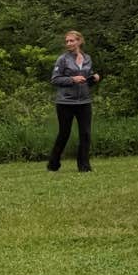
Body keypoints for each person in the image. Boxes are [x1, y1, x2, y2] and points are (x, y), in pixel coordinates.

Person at [48, 29, 99, 172]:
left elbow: (86, 80)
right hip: (65, 103)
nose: (69, 43)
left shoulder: (87, 58)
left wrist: (94, 78)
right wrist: (72, 79)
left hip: (84, 102)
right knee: (64, 134)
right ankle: (53, 163)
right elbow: (55, 79)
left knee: (86, 134)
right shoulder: (62, 59)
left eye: (71, 40)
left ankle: (84, 166)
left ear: (79, 41)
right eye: (67, 41)